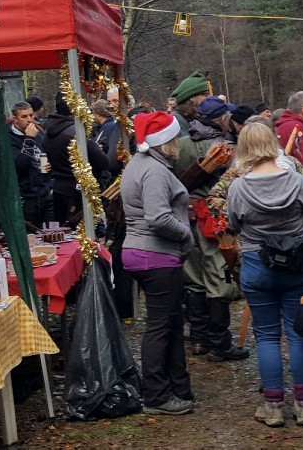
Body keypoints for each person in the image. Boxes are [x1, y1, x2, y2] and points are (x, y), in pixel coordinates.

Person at [227, 122, 303, 427]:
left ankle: (272, 406)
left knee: (267, 336)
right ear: (272, 143)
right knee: (299, 334)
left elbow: (233, 223)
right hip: (296, 264)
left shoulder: (238, 187)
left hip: (257, 264)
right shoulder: (298, 182)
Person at [119, 112, 195, 416]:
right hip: (156, 255)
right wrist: (186, 236)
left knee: (172, 323)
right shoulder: (154, 171)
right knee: (161, 327)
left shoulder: (141, 165)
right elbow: (158, 217)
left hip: (146, 254)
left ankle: (178, 387)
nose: (179, 142)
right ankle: (156, 396)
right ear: (165, 141)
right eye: (176, 137)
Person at [174, 96, 249, 362]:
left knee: (193, 275)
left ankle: (198, 339)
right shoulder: (227, 148)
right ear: (221, 120)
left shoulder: (180, 144)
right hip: (214, 219)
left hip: (184, 215)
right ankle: (219, 343)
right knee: (218, 275)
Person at [43, 95, 109, 226]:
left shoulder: (48, 131)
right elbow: (103, 162)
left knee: (63, 231)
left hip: (58, 187)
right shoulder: (76, 133)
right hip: (77, 192)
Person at [9, 101, 53, 229]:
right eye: (24, 117)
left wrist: (49, 167)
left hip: (44, 193)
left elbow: (41, 156)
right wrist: (29, 139)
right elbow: (20, 164)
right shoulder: (10, 138)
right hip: (26, 197)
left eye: (31, 115)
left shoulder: (38, 135)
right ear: (15, 119)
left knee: (52, 234)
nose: (29, 120)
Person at [171, 71, 210, 137]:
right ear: (191, 98)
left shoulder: (195, 115)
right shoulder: (176, 120)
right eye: (205, 94)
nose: (209, 98)